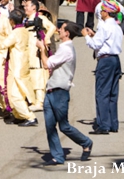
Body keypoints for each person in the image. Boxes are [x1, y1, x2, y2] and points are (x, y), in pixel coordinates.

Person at [36, 21, 93, 166]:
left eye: (61, 29)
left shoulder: (66, 49)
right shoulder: (64, 48)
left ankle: (86, 142)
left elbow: (47, 64)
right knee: (50, 126)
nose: (58, 30)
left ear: (67, 33)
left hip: (60, 92)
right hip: (51, 89)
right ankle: (57, 156)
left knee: (64, 125)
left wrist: (42, 49)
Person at [82, 0, 123, 135]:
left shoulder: (104, 26)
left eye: (102, 10)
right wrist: (94, 36)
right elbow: (105, 41)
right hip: (115, 59)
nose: (100, 12)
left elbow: (95, 45)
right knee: (112, 93)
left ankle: (103, 124)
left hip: (105, 61)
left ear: (106, 12)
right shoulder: (117, 26)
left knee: (102, 93)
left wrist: (87, 37)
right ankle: (113, 123)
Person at [2, 9, 37, 126]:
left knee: (15, 94)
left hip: (17, 65)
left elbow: (4, 44)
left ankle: (29, 117)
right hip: (21, 62)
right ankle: (18, 115)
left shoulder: (15, 32)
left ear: (11, 21)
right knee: (15, 90)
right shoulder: (24, 30)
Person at [24, 0, 56, 112]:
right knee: (30, 73)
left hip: (37, 48)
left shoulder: (40, 18)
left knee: (38, 73)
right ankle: (32, 100)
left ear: (34, 7)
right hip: (28, 48)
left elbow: (52, 27)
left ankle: (39, 101)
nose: (25, 7)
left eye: (27, 6)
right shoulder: (26, 20)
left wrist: (46, 38)